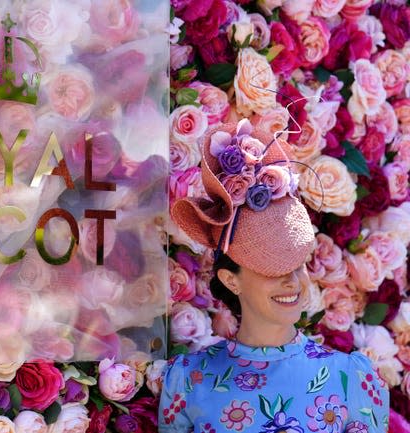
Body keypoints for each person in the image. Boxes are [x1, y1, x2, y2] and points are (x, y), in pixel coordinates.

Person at [160, 120, 389, 433]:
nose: (292, 281)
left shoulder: (350, 378)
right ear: (231, 279)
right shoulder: (186, 382)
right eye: (272, 267)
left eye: (297, 264)